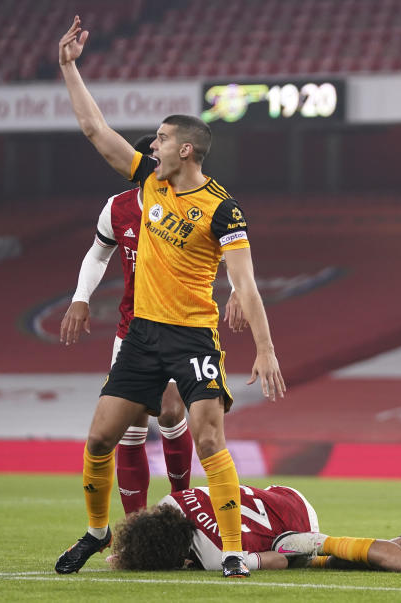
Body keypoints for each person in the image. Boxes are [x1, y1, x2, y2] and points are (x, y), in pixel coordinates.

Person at [55, 16, 286, 579]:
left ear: (185, 149)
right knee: (99, 437)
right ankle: (96, 531)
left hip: (193, 338)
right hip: (141, 336)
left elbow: (246, 285)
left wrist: (266, 349)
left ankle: (233, 549)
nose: (150, 145)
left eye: (159, 139)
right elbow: (96, 132)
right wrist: (68, 67)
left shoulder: (222, 209)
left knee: (210, 439)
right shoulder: (149, 184)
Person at [59, 133, 249, 513]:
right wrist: (81, 298)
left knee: (171, 412)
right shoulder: (117, 208)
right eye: (150, 155)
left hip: (180, 327)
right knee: (128, 432)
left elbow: (223, 249)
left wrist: (238, 291)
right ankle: (134, 529)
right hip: (132, 330)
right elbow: (97, 255)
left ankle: (180, 507)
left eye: (156, 153)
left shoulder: (190, 206)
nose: (153, 161)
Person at [110, 484, 319, 571]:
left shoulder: (216, 557)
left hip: (304, 525)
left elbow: (279, 560)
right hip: (285, 494)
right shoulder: (171, 501)